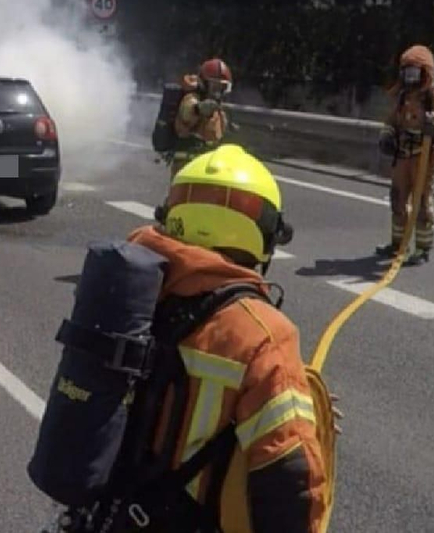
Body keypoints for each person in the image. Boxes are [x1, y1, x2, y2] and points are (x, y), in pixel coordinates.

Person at [59, 146, 329, 532]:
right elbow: (290, 477)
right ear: (265, 234)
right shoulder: (262, 335)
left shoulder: (128, 296)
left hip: (102, 516)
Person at [376, 44, 434, 265]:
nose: (410, 77)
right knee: (397, 198)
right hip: (402, 154)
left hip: (425, 156)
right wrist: (387, 136)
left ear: (425, 72)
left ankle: (422, 248)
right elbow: (391, 120)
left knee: (421, 202)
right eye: (406, 71)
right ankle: (397, 243)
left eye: (415, 72)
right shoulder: (402, 96)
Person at [170, 57, 232, 177]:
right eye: (214, 86)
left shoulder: (219, 112)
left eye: (221, 87)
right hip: (185, 165)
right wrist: (198, 109)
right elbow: (187, 112)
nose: (217, 92)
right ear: (204, 83)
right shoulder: (191, 99)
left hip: (207, 167)